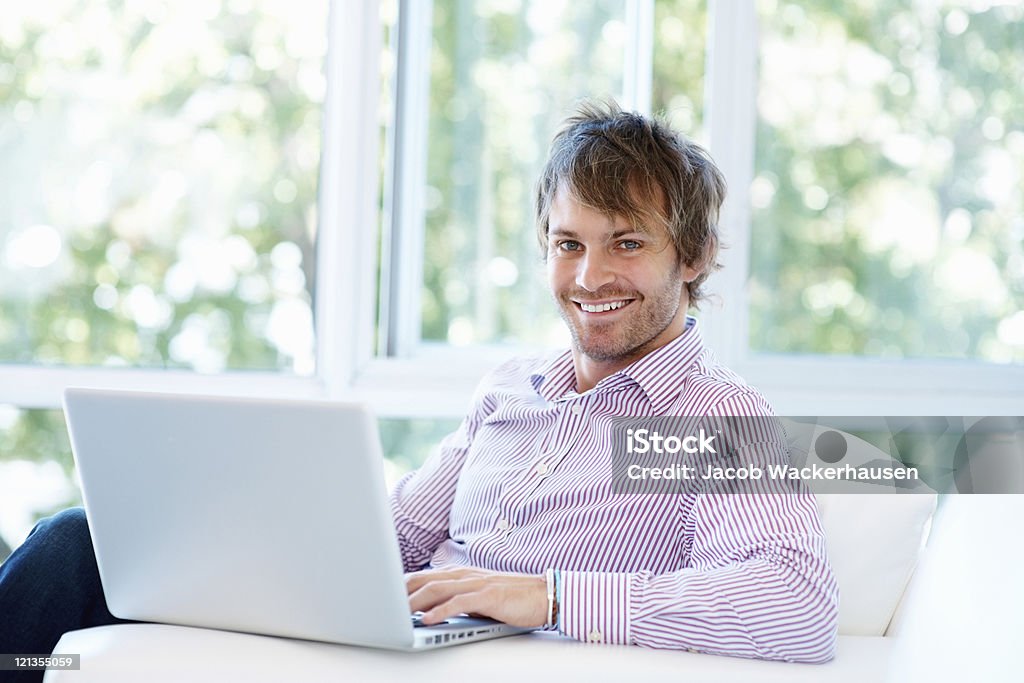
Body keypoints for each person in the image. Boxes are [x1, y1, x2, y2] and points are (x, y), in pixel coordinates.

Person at [0, 101, 837, 678]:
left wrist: (543, 594)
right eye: (567, 242)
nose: (589, 275)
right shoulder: (513, 389)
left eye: (626, 243)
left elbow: (795, 600)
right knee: (78, 540)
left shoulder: (713, 417)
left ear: (689, 256)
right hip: (394, 637)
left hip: (486, 659)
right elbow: (397, 533)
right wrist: (247, 535)